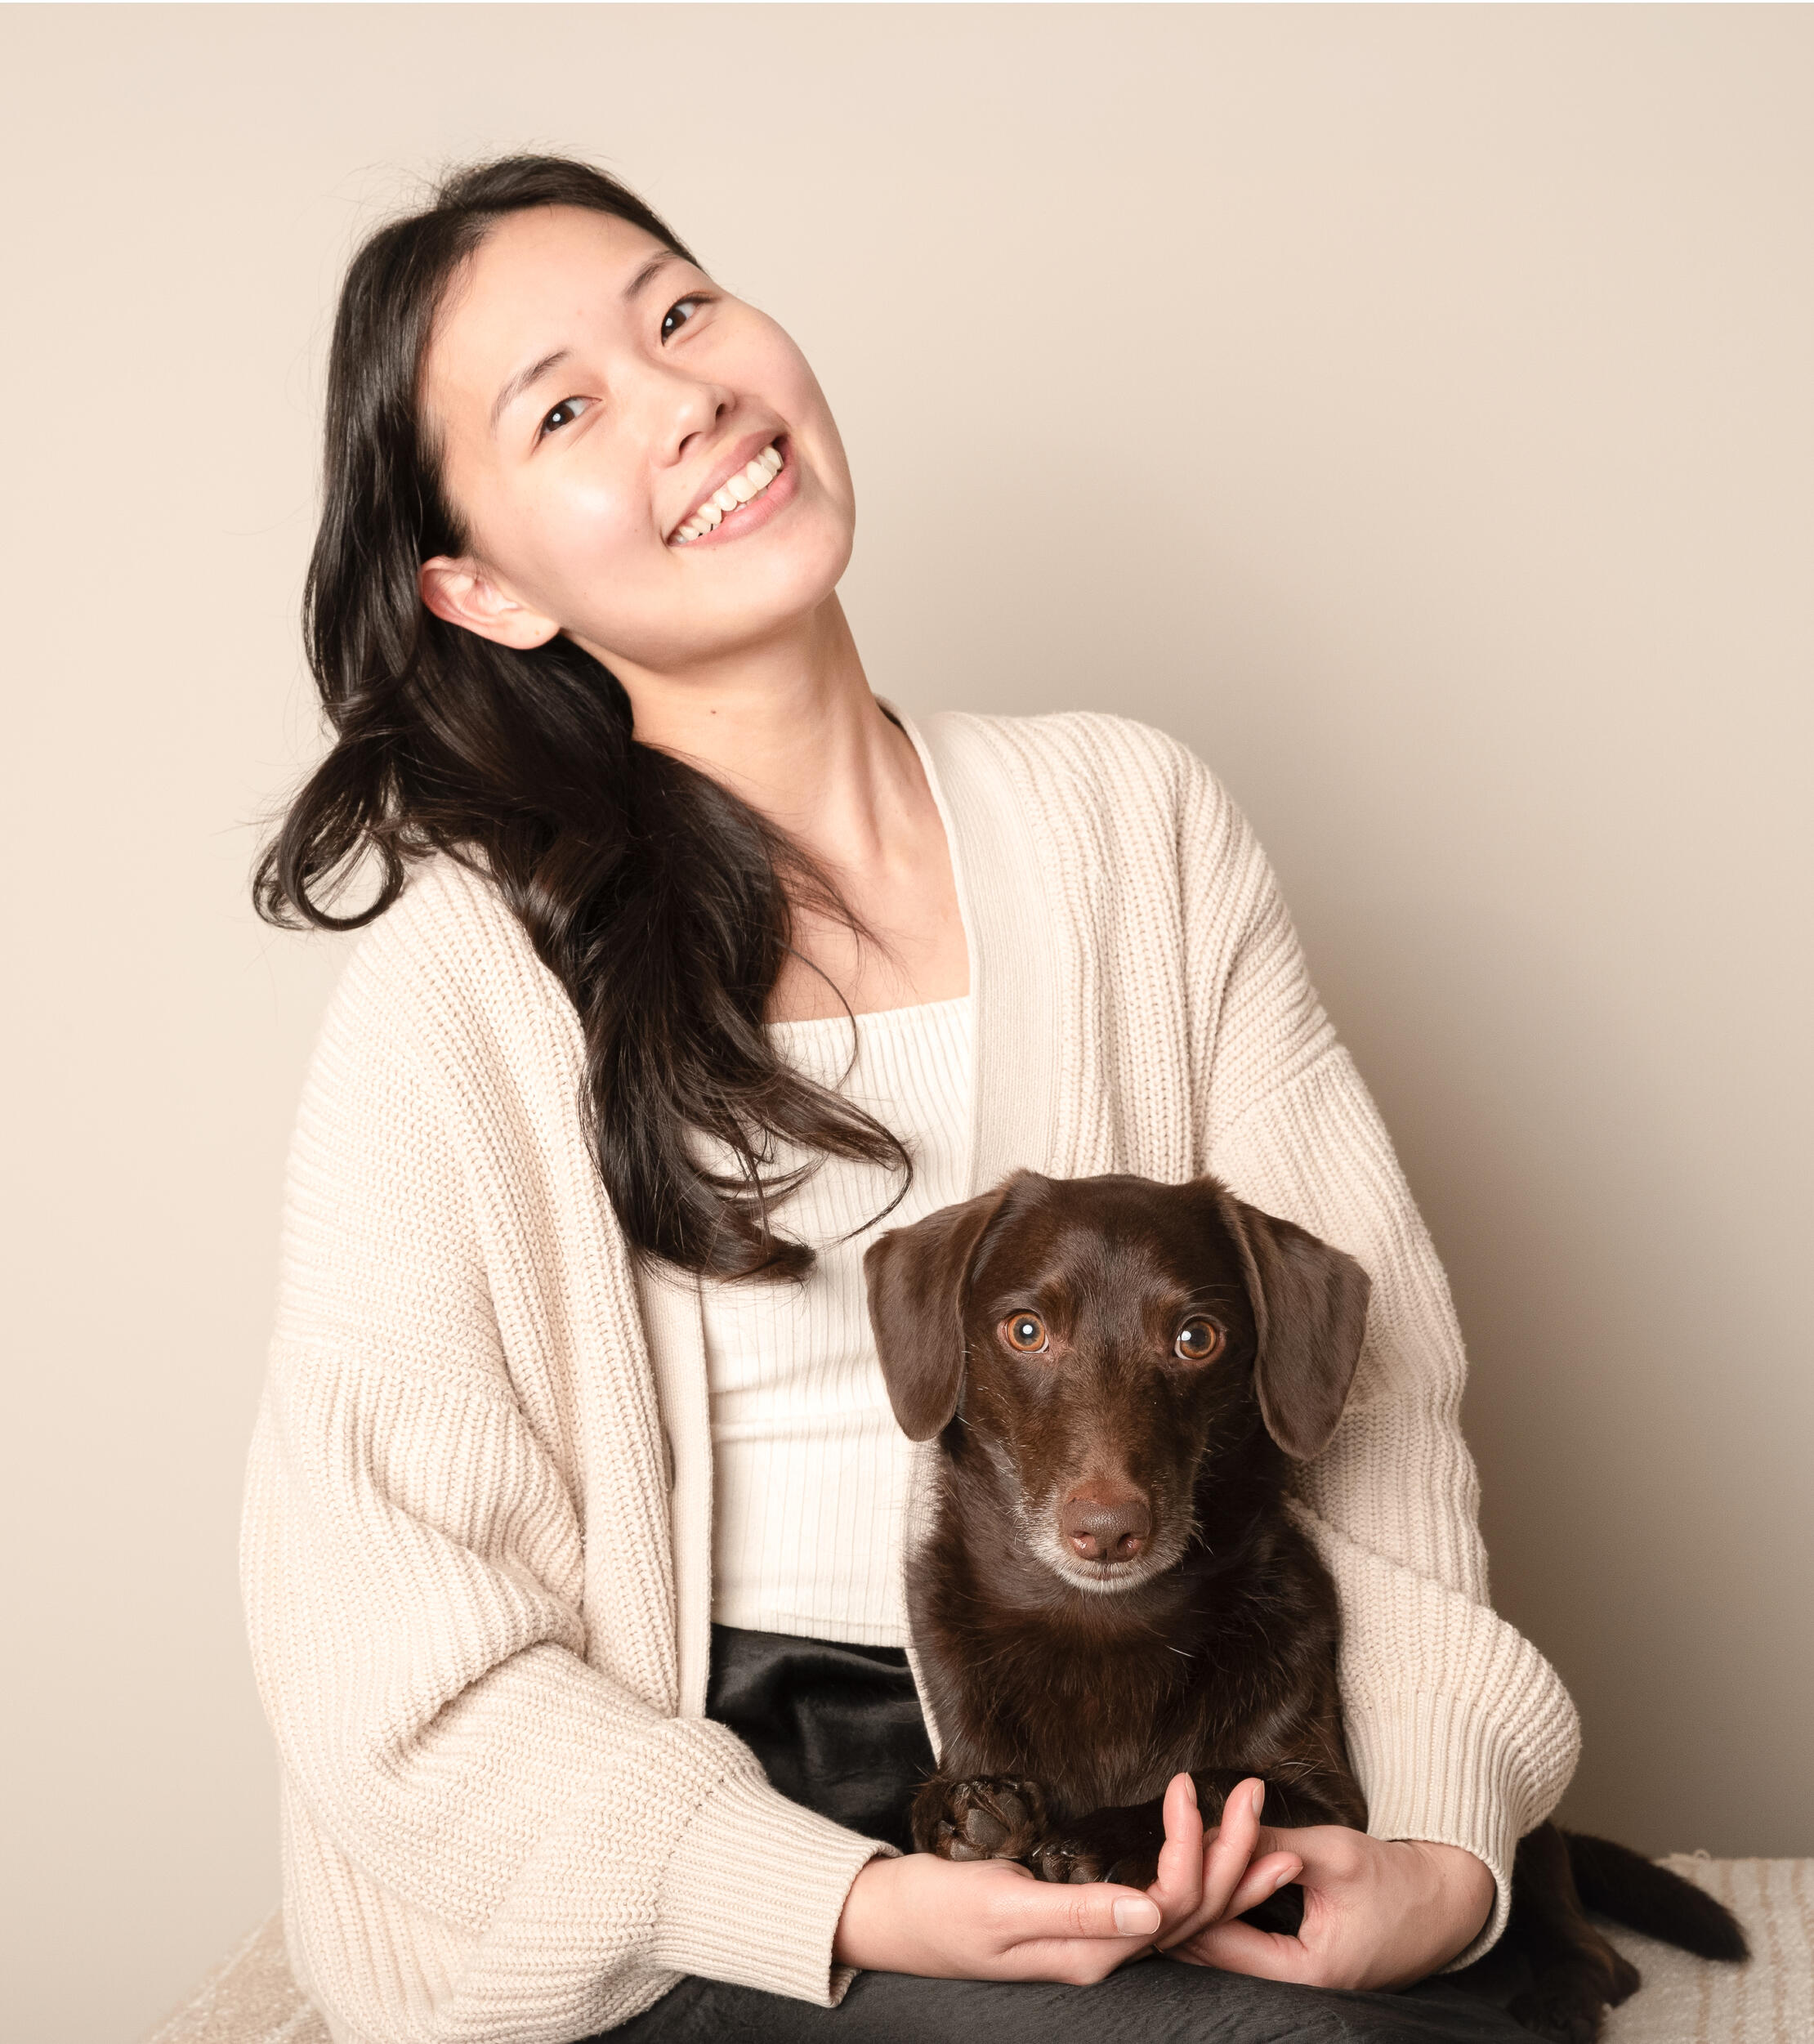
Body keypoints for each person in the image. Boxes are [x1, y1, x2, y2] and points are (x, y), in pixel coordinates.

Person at [242, 154, 1579, 2044]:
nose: (684, 394)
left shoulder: (1133, 824)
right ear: (483, 588)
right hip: (705, 1837)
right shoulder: (463, 994)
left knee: (1459, 1996)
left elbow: (1372, 1409)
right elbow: (384, 1640)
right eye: (565, 409)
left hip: (1143, 1750)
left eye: (680, 311)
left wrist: (1439, 1844)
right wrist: (841, 1897)